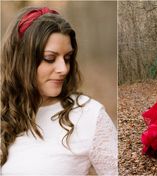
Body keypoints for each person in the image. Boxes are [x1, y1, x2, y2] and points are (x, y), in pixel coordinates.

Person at [1, 7, 117, 175]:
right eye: (50, 59)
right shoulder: (5, 112)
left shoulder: (89, 115)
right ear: (21, 60)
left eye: (68, 58)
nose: (63, 68)